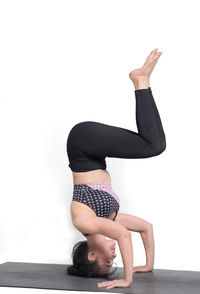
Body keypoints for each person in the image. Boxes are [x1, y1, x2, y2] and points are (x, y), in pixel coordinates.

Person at [66, 48, 166, 289]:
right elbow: (145, 228)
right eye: (115, 261)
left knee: (154, 145)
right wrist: (148, 265)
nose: (114, 256)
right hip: (91, 151)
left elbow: (122, 234)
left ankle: (141, 81)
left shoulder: (85, 223)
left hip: (82, 145)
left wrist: (128, 278)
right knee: (154, 144)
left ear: (92, 255)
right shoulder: (105, 217)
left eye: (108, 260)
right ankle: (141, 81)